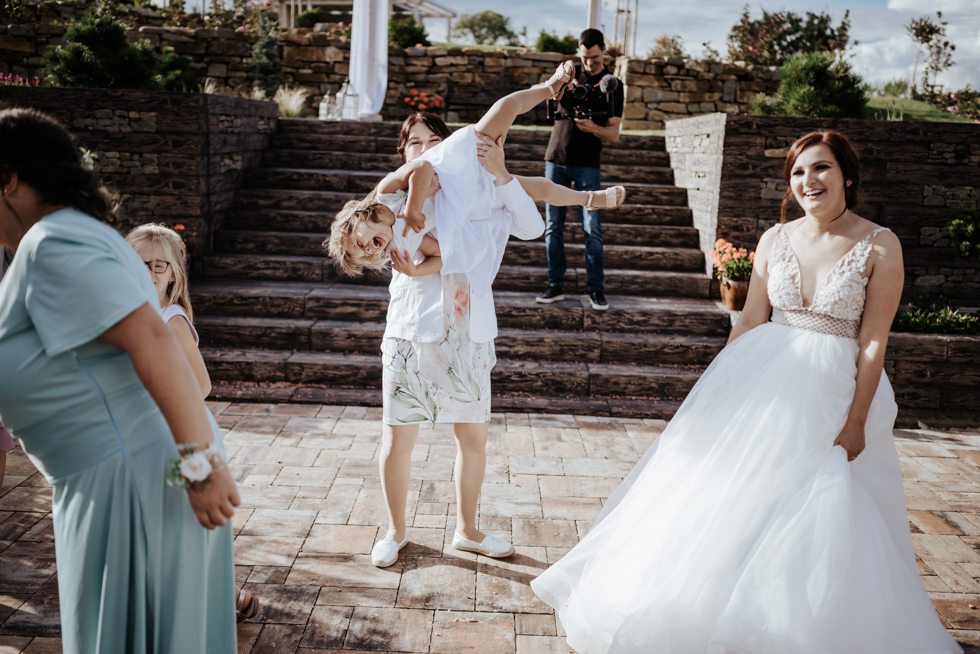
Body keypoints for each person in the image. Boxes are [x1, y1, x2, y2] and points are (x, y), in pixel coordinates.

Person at [530, 131, 962, 654]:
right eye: (798, 172)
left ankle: (805, 626)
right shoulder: (775, 239)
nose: (808, 181)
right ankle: (715, 615)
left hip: (833, 392)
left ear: (847, 176)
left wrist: (855, 421)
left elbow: (873, 341)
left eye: (821, 168)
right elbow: (751, 319)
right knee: (736, 496)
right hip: (764, 382)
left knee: (822, 506)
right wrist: (716, 391)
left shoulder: (879, 244)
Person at [0, 107, 240, 653]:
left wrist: (200, 468)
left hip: (129, 478)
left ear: (8, 179)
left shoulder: (55, 240)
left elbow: (154, 342)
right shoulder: (69, 238)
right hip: (118, 474)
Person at [326, 97, 580, 568]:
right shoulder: (389, 204)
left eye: (434, 141)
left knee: (473, 438)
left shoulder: (478, 189)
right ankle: (395, 531)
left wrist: (503, 176)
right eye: (414, 143)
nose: (425, 149)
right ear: (404, 154)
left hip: (467, 329)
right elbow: (371, 239)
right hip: (410, 331)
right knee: (398, 440)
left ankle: (467, 531)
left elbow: (528, 221)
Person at [125, 222, 259, 623]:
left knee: (186, 521)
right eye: (140, 263)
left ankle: (223, 596)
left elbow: (201, 385)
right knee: (154, 522)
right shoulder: (126, 317)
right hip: (144, 436)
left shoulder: (171, 319)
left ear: (173, 275)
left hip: (182, 436)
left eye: (159, 265)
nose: (149, 272)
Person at [537, 28, 624, 312]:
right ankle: (555, 285)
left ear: (604, 51)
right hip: (556, 158)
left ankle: (596, 289)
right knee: (553, 227)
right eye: (585, 57)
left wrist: (593, 127)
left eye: (595, 57)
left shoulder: (613, 84)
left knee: (592, 228)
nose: (589, 63)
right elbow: (543, 96)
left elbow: (614, 134)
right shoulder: (568, 75)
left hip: (588, 163)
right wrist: (562, 85)